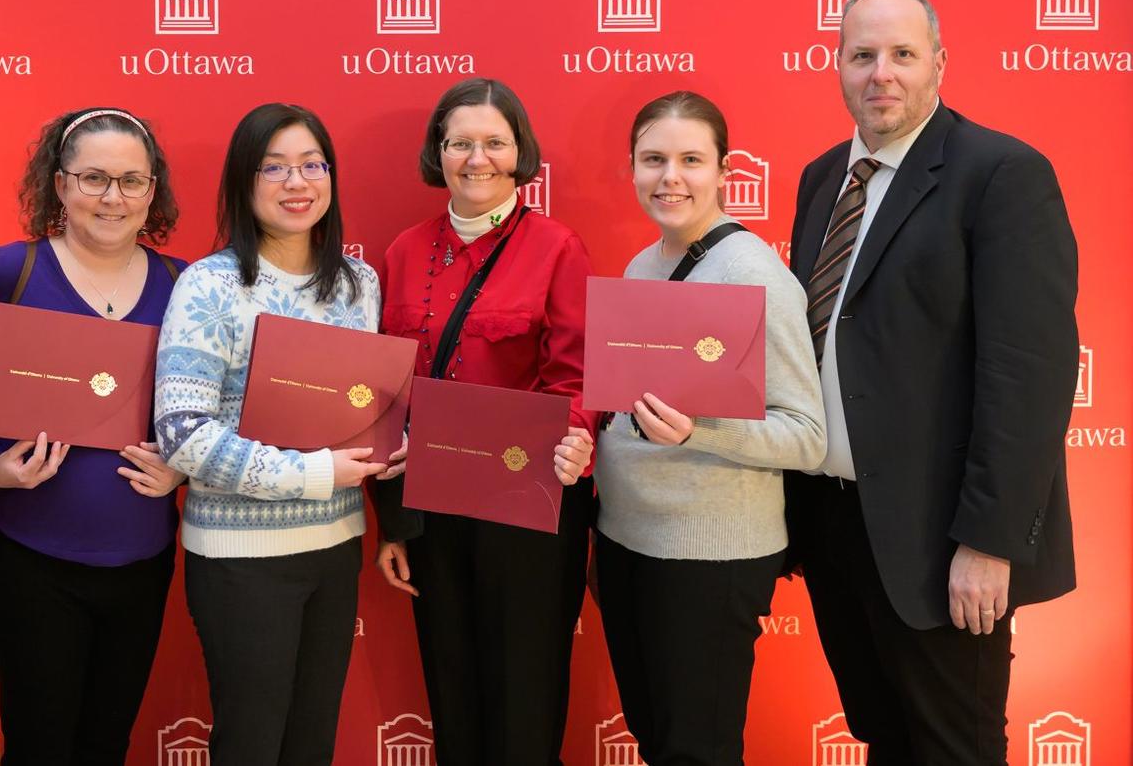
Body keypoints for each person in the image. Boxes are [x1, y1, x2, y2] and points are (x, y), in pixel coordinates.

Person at [785, 0, 1078, 764]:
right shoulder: (821, 179)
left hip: (944, 538)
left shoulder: (1001, 174)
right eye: (862, 55)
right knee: (883, 735)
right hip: (837, 525)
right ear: (837, 66)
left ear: (940, 64)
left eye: (903, 54)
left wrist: (989, 541)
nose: (882, 72)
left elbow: (1028, 376)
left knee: (955, 747)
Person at [591, 91, 826, 765]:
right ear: (631, 168)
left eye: (692, 159)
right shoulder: (644, 265)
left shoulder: (754, 274)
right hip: (629, 542)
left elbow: (806, 436)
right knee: (658, 740)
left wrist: (702, 432)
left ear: (725, 168)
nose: (671, 177)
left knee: (698, 750)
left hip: (708, 558)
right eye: (653, 159)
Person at [0, 107, 186, 766]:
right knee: (39, 744)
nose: (113, 198)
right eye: (94, 179)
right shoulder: (7, 275)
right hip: (33, 560)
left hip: (143, 559)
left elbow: (214, 407)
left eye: (132, 182)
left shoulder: (182, 286)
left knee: (107, 744)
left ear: (152, 190)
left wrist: (184, 467)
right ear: (59, 185)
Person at [373, 77, 596, 766]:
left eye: (495, 143)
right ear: (438, 153)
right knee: (451, 684)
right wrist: (394, 519)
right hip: (434, 507)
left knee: (525, 695)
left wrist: (578, 435)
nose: (478, 159)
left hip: (527, 505)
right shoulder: (404, 251)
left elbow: (575, 376)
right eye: (460, 142)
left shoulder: (558, 247)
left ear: (520, 152)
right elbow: (385, 394)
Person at [153, 102, 384, 765]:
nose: (297, 182)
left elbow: (364, 407)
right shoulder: (210, 285)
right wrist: (314, 474)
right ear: (242, 183)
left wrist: (387, 450)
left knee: (310, 744)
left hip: (337, 549)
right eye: (274, 167)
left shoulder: (358, 284)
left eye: (312, 164)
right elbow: (185, 436)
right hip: (241, 561)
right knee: (251, 745)